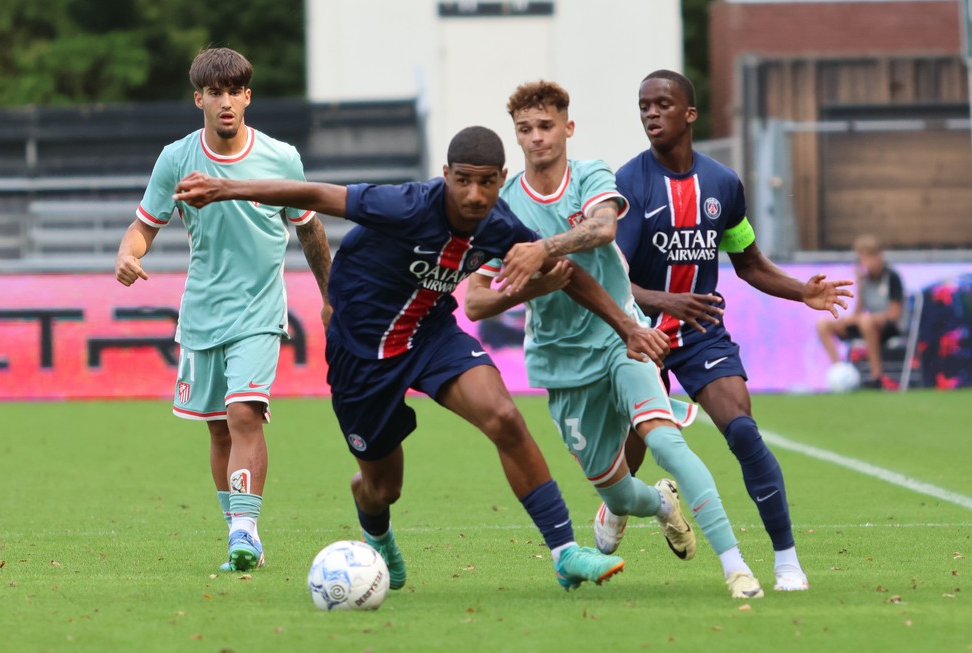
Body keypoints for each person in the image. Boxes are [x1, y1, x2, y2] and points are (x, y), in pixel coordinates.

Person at [172, 125, 670, 592]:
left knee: (504, 417)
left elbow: (568, 271)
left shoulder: (499, 226)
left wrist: (627, 326)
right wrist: (226, 188)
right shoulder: (405, 204)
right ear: (446, 176)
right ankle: (379, 539)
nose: (475, 195)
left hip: (432, 337)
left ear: (501, 180)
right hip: (361, 356)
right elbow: (320, 196)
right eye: (464, 182)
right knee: (382, 487)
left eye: (487, 183)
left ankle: (564, 552)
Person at [463, 80, 765, 599]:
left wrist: (545, 249)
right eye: (525, 130)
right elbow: (474, 301)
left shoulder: (591, 175)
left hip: (621, 337)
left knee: (666, 440)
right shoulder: (503, 208)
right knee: (620, 493)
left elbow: (603, 229)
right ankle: (662, 504)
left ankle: (737, 568)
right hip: (561, 364)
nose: (537, 138)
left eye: (546, 126)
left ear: (567, 128)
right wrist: (529, 283)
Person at [612, 69, 854, 591]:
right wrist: (662, 299)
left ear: (690, 114)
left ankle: (787, 561)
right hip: (641, 333)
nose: (651, 114)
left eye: (662, 104)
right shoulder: (628, 184)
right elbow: (617, 277)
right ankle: (618, 508)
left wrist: (800, 291)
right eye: (644, 106)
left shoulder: (723, 185)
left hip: (701, 333)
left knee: (743, 431)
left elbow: (748, 262)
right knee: (628, 455)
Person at [114, 47, 333, 572]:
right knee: (217, 426)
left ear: (248, 97)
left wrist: (332, 296)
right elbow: (144, 225)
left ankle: (245, 530)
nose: (227, 102)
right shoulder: (177, 158)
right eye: (216, 92)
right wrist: (127, 253)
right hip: (202, 313)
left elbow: (310, 228)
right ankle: (237, 529)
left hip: (260, 311)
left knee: (244, 413)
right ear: (200, 99)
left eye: (236, 91)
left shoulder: (281, 158)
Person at [816, 234, 904, 390]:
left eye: (868, 258)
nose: (865, 263)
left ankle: (876, 377)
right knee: (823, 324)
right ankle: (840, 371)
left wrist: (866, 318)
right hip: (866, 324)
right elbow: (858, 311)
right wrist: (850, 319)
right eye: (861, 259)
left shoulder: (892, 277)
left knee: (866, 322)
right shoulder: (865, 280)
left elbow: (894, 314)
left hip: (888, 328)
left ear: (879, 256)